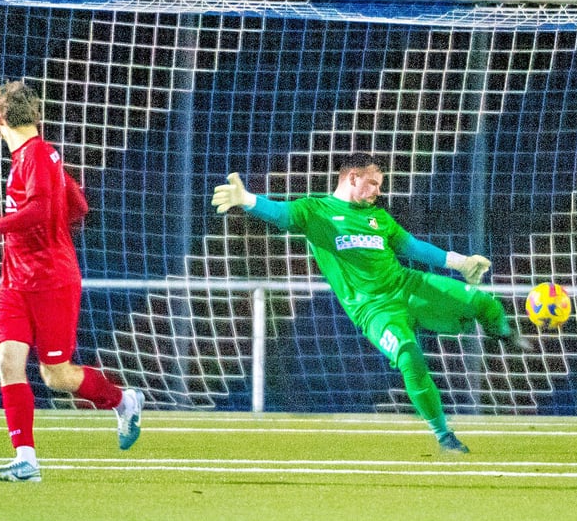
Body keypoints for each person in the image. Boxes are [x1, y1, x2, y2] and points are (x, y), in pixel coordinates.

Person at [211, 153, 530, 453]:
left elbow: (413, 247)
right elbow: (281, 214)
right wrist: (248, 200)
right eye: (374, 183)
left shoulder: (378, 217)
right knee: (409, 357)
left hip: (409, 286)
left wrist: (460, 263)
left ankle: (503, 333)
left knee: (483, 301)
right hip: (374, 311)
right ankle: (444, 435)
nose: (379, 191)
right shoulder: (315, 211)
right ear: (353, 178)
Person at [0, 80, 145, 482]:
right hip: (16, 283)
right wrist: (55, 230)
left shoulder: (37, 156)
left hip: (51, 282)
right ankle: (26, 459)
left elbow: (43, 209)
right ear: (37, 116)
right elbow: (78, 205)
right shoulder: (41, 157)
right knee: (8, 361)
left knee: (55, 374)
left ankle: (123, 400)